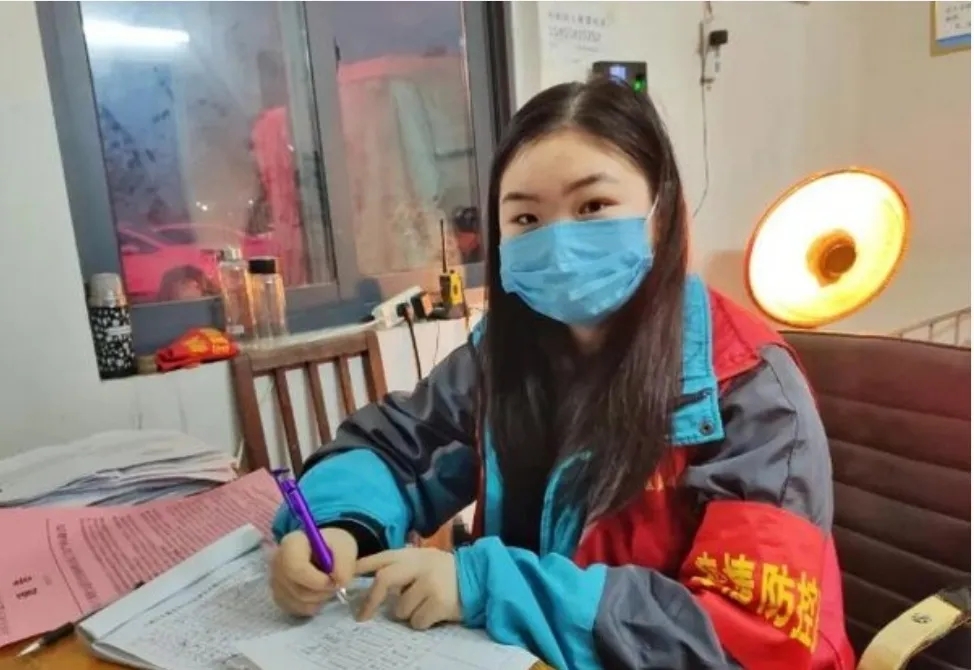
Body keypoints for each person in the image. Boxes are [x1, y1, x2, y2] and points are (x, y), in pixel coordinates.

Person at [268, 77, 856, 670]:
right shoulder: (503, 355)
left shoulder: (749, 388)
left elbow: (743, 637)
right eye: (526, 217)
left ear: (662, 209)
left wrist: (488, 588)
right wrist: (339, 527)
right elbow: (397, 448)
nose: (559, 242)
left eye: (593, 206)